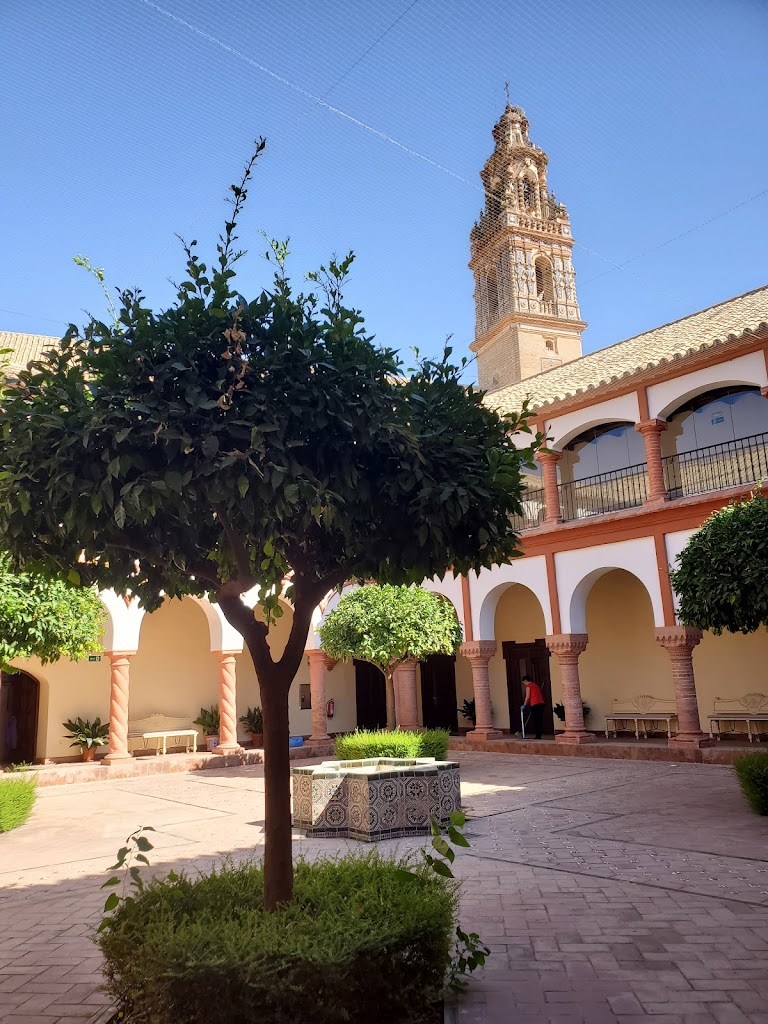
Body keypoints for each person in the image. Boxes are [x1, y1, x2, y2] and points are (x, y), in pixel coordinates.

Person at [520, 675, 545, 739]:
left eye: (524, 683)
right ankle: (539, 735)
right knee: (539, 720)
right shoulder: (535, 685)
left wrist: (524, 705)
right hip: (541, 703)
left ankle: (537, 736)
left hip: (535, 704)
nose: (524, 684)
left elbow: (527, 697)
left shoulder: (529, 686)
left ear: (526, 681)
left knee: (535, 720)